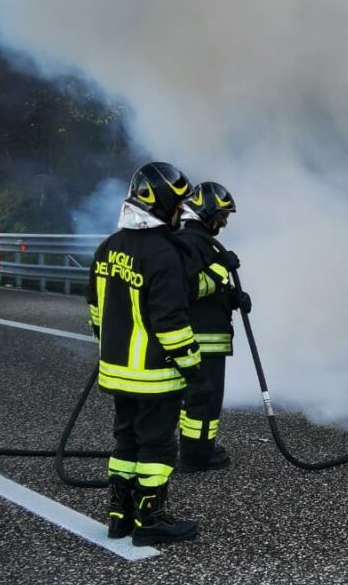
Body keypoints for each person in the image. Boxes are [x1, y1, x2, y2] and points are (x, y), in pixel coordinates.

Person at [86, 162, 212, 546]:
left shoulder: (108, 247)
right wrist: (195, 372)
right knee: (157, 446)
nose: (179, 214)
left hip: (116, 372)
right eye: (177, 207)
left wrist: (113, 350)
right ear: (160, 206)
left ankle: (118, 516)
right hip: (155, 375)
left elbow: (95, 311)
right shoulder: (163, 254)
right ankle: (151, 519)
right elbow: (171, 323)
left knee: (125, 443)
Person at [174, 181, 250, 472]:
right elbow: (191, 287)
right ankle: (196, 457)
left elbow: (212, 291)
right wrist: (222, 267)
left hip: (208, 338)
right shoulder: (191, 242)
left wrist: (234, 298)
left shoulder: (199, 242)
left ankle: (199, 449)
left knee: (202, 402)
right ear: (206, 212)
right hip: (202, 340)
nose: (223, 223)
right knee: (203, 404)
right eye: (221, 216)